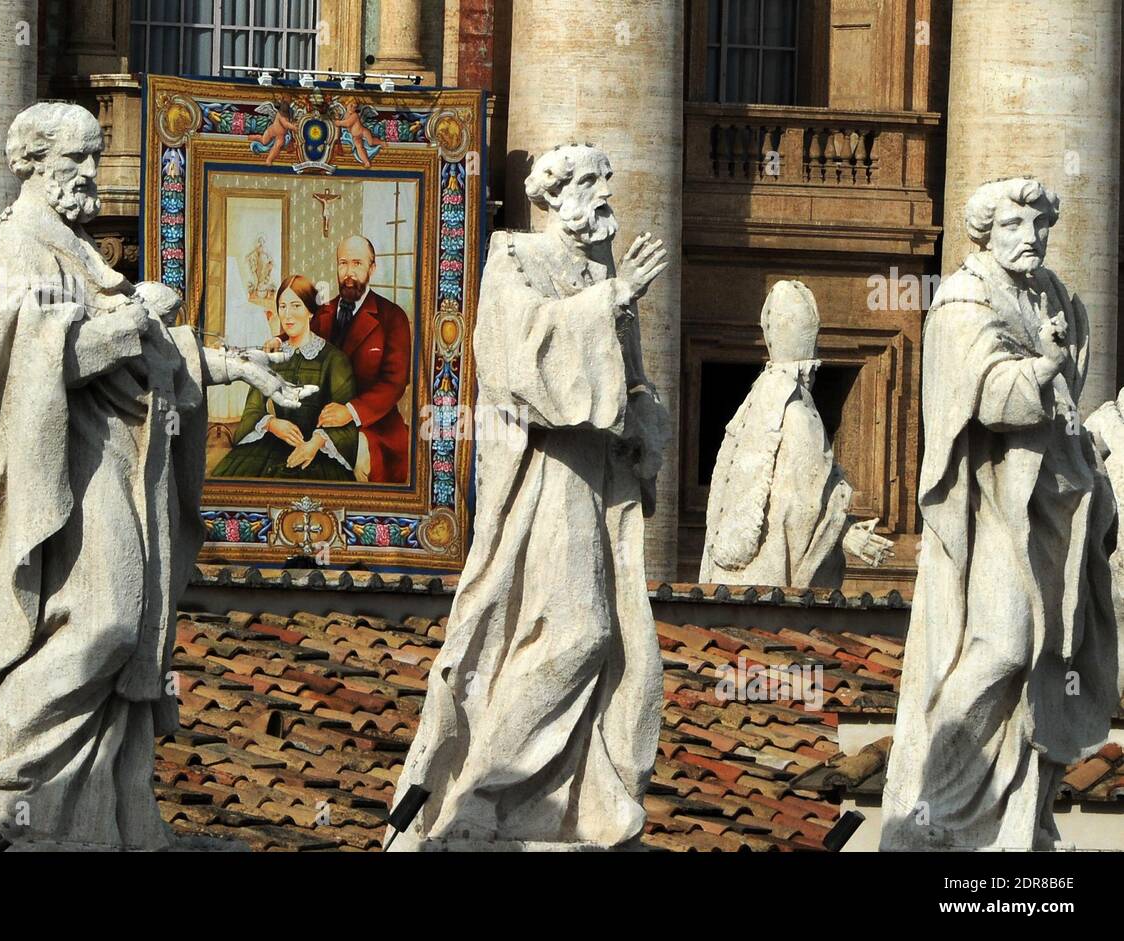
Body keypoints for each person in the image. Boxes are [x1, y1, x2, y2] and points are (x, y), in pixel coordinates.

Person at [0, 102, 312, 851]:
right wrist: (124, 326)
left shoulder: (80, 254)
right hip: (61, 471)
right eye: (78, 159)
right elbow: (24, 367)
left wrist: (241, 368)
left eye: (94, 157)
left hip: (118, 463)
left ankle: (95, 815)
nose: (92, 173)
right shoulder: (11, 247)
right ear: (33, 161)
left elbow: (153, 357)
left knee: (126, 634)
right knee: (105, 622)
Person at [386, 144, 670, 849]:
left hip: (599, 482)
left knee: (613, 643)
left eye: (608, 187)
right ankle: (481, 790)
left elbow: (630, 383)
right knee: (580, 631)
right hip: (544, 482)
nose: (604, 200)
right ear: (556, 194)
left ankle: (554, 802)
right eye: (592, 187)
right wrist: (612, 300)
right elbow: (520, 356)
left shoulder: (598, 271)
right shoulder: (514, 258)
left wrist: (646, 426)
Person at [881, 177, 1124, 851]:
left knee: (1048, 656)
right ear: (987, 230)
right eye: (1017, 225)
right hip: (991, 508)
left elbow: (1070, 397)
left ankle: (1019, 821)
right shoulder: (964, 296)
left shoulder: (1057, 297)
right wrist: (1043, 368)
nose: (1033, 237)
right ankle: (934, 811)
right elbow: (987, 396)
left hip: (1050, 507)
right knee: (1002, 644)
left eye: (1040, 225)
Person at [699, 279, 893, 588]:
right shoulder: (800, 415)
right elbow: (807, 505)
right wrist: (847, 533)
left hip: (727, 579)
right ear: (811, 365)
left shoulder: (748, 409)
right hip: (775, 583)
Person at [212, 274, 359, 481]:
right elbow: (252, 411)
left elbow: (346, 424)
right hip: (270, 444)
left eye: (296, 306)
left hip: (318, 451)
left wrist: (315, 443)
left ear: (310, 311)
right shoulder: (271, 357)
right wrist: (272, 424)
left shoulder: (334, 360)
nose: (288, 315)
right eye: (282, 306)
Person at [312, 234, 412, 483]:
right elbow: (297, 337)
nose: (349, 272)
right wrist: (275, 341)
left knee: (361, 463)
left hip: (375, 424)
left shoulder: (392, 317)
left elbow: (394, 383)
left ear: (372, 268)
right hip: (322, 419)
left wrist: (351, 411)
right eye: (343, 263)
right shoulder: (322, 312)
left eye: (357, 264)